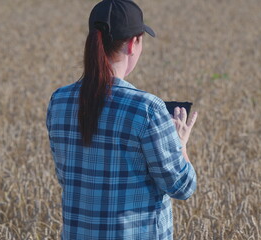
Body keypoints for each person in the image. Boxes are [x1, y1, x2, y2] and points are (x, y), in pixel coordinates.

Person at [46, 0, 198, 239]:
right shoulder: (147, 109)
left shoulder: (59, 101)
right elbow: (182, 187)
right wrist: (180, 144)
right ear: (133, 43)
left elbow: (65, 177)